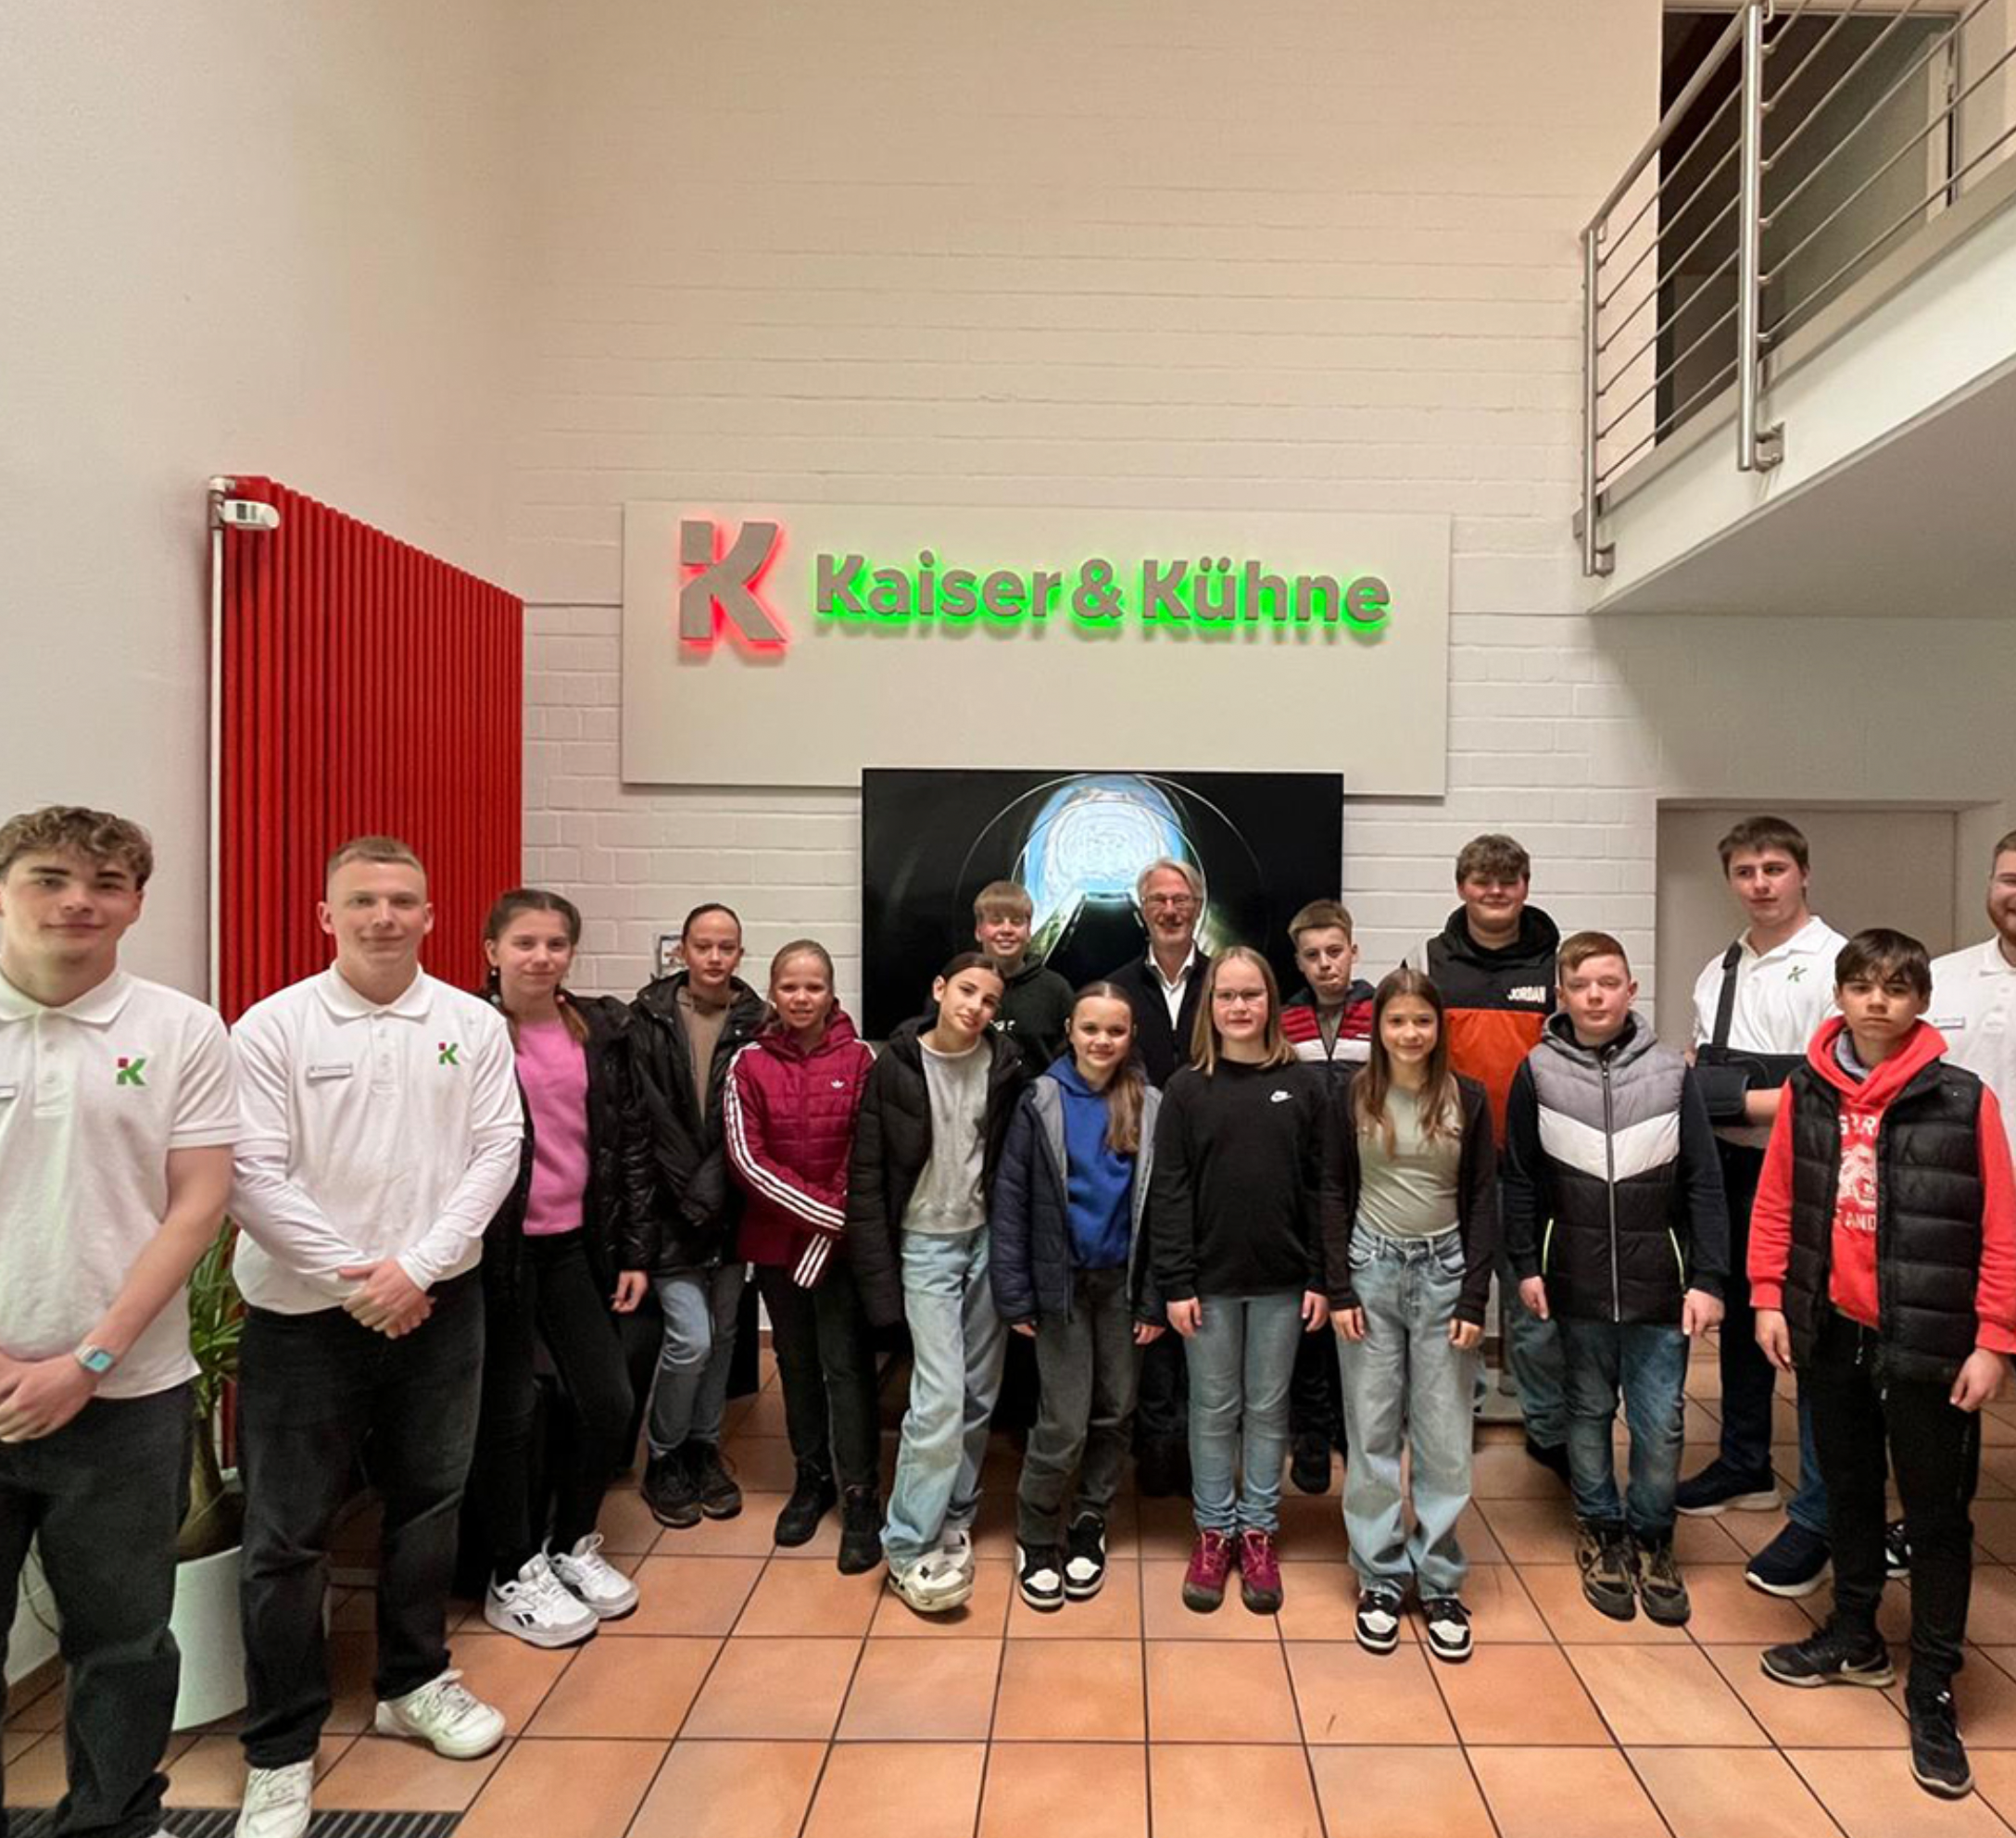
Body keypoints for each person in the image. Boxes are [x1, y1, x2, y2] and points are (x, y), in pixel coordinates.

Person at [230, 837, 523, 1838]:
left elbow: (497, 1150)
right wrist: (361, 1277)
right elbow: (250, 1174)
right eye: (363, 901)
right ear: (327, 915)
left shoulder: (470, 1022)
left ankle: (413, 1680)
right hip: (303, 1317)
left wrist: (419, 1267)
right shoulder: (272, 1028)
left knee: (429, 1500)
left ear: (432, 916)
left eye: (403, 900)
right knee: (286, 1534)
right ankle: (280, 1745)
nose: (385, 917)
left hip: (439, 1305)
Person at [0, 806, 235, 1838]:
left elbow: (196, 1205)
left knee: (125, 1640)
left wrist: (88, 1359)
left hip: (128, 1394)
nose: (77, 900)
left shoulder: (179, 1028)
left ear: (136, 902)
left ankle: (111, 1820)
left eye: (105, 882)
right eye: (50, 876)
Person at [1751, 929, 2016, 1802]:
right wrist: (1767, 1296)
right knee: (1851, 1495)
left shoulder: (1961, 1098)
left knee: (1937, 1516)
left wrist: (1993, 1337)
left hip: (1932, 1340)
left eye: (1896, 989)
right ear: (1841, 996)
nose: (1877, 1002)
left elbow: (2001, 1228)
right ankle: (1854, 1634)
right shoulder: (1807, 1090)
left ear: (1920, 1002)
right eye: (1861, 986)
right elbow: (1780, 1196)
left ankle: (1934, 1683)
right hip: (1833, 1331)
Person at [1502, 931, 1726, 1630]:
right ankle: (1600, 1527)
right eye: (1582, 985)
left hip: (1662, 1288)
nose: (1596, 996)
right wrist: (1526, 1267)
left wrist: (1711, 1277)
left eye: (1609, 982)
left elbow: (1704, 1183)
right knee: (1587, 1415)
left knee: (1660, 1426)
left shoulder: (1670, 1072)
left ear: (1631, 990)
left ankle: (1653, 1538)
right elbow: (1520, 1181)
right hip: (1575, 1283)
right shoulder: (1535, 1072)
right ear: (1561, 996)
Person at [467, 889, 650, 1649]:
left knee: (608, 1401)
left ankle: (572, 1541)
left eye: (555, 945)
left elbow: (627, 1142)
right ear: (492, 951)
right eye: (525, 944)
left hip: (575, 1243)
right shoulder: (469, 1031)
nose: (541, 958)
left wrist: (636, 1250)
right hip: (496, 1253)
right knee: (508, 1417)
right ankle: (511, 1569)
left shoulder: (600, 1029)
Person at [1675, 817, 1845, 1599]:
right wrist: (1724, 1099)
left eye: (1775, 868)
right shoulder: (1719, 969)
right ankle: (1746, 1463)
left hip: (1812, 1175)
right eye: (1745, 871)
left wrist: (1737, 1098)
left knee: (1810, 1338)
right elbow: (1697, 1070)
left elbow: (1835, 1087)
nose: (1761, 884)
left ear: (1804, 873)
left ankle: (1822, 1507)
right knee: (1742, 1314)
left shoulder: (1837, 964)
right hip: (1732, 1171)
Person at [1150, 946, 1329, 1618]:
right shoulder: (1187, 1089)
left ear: (1271, 1004)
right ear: (1210, 1006)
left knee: (1266, 1408)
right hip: (1208, 1285)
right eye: (1227, 996)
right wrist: (1175, 1280)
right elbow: (1168, 1192)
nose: (1240, 1006)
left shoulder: (1304, 1085)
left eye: (1252, 994)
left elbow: (1322, 1188)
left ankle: (1257, 1531)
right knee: (1214, 1409)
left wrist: (1318, 1274)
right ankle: (1213, 1530)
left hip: (1284, 1284)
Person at [1325, 967, 1496, 1664]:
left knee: (1444, 1429)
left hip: (1445, 1271)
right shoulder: (1353, 1096)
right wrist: (1339, 1287)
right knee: (1370, 1426)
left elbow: (1485, 1196)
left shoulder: (1470, 1098)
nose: (1409, 1033)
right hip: (1371, 1270)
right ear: (1378, 1027)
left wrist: (1475, 1295)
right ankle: (1380, 1575)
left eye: (1421, 1021)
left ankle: (1440, 1574)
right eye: (1396, 1021)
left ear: (1438, 1027)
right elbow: (1334, 1190)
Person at [847, 952, 1026, 1613]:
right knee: (939, 1397)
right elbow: (865, 1180)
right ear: (939, 987)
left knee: (979, 1392)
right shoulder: (894, 1065)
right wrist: (878, 1285)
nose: (976, 1007)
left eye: (989, 999)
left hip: (985, 1241)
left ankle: (955, 1514)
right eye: (967, 991)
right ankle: (907, 1547)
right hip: (923, 1247)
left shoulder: (1004, 1064)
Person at [989, 981, 1165, 1612]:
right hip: (1060, 1286)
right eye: (1090, 1029)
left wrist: (1154, 1298)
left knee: (1116, 1409)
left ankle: (1089, 1518)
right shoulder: (1040, 1099)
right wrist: (1013, 1294)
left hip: (1121, 1286)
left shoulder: (1149, 1104)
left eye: (1115, 1031)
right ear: (1069, 1030)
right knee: (1063, 1419)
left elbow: (1162, 1211)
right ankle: (1036, 1532)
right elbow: (1010, 1202)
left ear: (1131, 1037)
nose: (1102, 1041)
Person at [722, 938, 882, 1571]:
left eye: (813, 986)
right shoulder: (748, 1062)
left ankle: (861, 1493)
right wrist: (820, 1219)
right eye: (790, 986)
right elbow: (745, 1158)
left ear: (831, 992)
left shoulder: (863, 1058)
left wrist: (830, 1231)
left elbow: (866, 1150)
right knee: (795, 1364)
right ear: (773, 989)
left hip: (842, 1252)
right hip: (780, 1248)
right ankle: (811, 1478)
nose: (801, 997)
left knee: (847, 1367)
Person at [1415, 834, 1569, 1479]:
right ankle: (1461, 1414)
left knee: (1533, 1301)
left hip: (1537, 1162)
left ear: (1526, 887)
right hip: (1457, 1159)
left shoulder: (1555, 965)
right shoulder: (1435, 963)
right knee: (1459, 1296)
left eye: (1508, 880)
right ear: (1462, 888)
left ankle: (1548, 1426)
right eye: (1482, 880)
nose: (1495, 891)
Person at [629, 902, 766, 1530]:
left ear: (740, 954)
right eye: (703, 946)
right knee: (691, 1339)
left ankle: (703, 1449)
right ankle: (663, 1454)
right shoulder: (646, 1020)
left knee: (726, 1338)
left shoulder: (758, 1023)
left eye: (727, 947)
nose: (715, 958)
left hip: (734, 1208)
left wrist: (717, 1189)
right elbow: (641, 1122)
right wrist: (684, 1193)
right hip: (667, 1209)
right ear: (681, 950)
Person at [1104, 857, 1212, 1494]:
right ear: (1141, 910)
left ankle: (1196, 1445)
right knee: (1147, 1300)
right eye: (1157, 901)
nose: (1170, 910)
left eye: (1181, 899)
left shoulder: (1225, 981)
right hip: (1136, 1168)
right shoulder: (1117, 986)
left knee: (1199, 1304)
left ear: (1197, 905)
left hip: (1212, 1164)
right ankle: (1155, 1441)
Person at [1279, 899, 1374, 1493]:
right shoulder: (1284, 1019)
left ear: (1353, 952)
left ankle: (1349, 1425)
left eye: (1334, 952)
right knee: (1310, 1311)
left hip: (1370, 1184)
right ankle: (1309, 1432)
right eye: (1312, 956)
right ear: (1298, 962)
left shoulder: (1383, 1009)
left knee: (1358, 1309)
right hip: (1303, 1186)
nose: (1325, 965)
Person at [975, 879, 1075, 1073]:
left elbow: (1073, 1062)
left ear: (1029, 931)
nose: (1006, 930)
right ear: (979, 931)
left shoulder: (1056, 990)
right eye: (996, 921)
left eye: (1016, 922)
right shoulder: (960, 987)